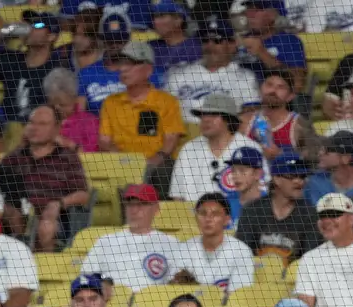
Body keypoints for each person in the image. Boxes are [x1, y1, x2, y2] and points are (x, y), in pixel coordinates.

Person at [0, 105, 90, 251]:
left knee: (46, 225)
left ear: (56, 129)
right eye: (31, 122)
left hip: (53, 217)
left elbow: (83, 195)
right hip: (16, 217)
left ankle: (47, 269)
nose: (34, 128)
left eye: (42, 124)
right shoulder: (14, 157)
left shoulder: (68, 158)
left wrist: (59, 203)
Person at [98, 39, 185, 185]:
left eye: (131, 63)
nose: (123, 69)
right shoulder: (110, 102)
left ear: (148, 70)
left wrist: (150, 163)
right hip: (121, 163)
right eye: (122, 63)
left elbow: (171, 139)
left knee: (163, 172)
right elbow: (104, 140)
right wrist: (124, 161)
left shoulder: (166, 101)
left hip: (156, 165)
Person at [80, 184, 179, 293]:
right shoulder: (105, 241)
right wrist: (99, 285)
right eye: (130, 205)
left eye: (142, 204)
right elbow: (85, 277)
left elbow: (177, 284)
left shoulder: (171, 244)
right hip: (111, 305)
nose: (134, 210)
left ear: (156, 208)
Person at [167, 92, 263, 203]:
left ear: (229, 119)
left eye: (213, 114)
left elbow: (261, 193)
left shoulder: (251, 147)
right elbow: (177, 196)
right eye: (202, 115)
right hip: (193, 217)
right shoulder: (188, 149)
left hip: (240, 217)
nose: (205, 119)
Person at [161, 17, 258, 123]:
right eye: (205, 40)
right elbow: (163, 112)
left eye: (217, 40)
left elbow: (250, 118)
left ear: (231, 45)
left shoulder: (246, 78)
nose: (210, 45)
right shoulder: (177, 74)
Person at [234, 151, 321, 264]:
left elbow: (310, 259)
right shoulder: (252, 211)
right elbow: (242, 256)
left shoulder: (310, 214)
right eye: (293, 176)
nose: (299, 182)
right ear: (276, 179)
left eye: (303, 176)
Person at [0, 11, 61, 123]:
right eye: (29, 25)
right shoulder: (13, 59)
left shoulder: (57, 69)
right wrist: (1, 34)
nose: (30, 29)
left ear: (51, 36)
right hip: (6, 128)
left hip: (37, 128)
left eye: (37, 25)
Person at [169, 192, 255, 292]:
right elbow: (173, 289)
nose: (208, 219)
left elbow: (239, 295)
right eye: (203, 213)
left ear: (227, 219)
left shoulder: (241, 251)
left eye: (215, 214)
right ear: (196, 218)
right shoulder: (184, 249)